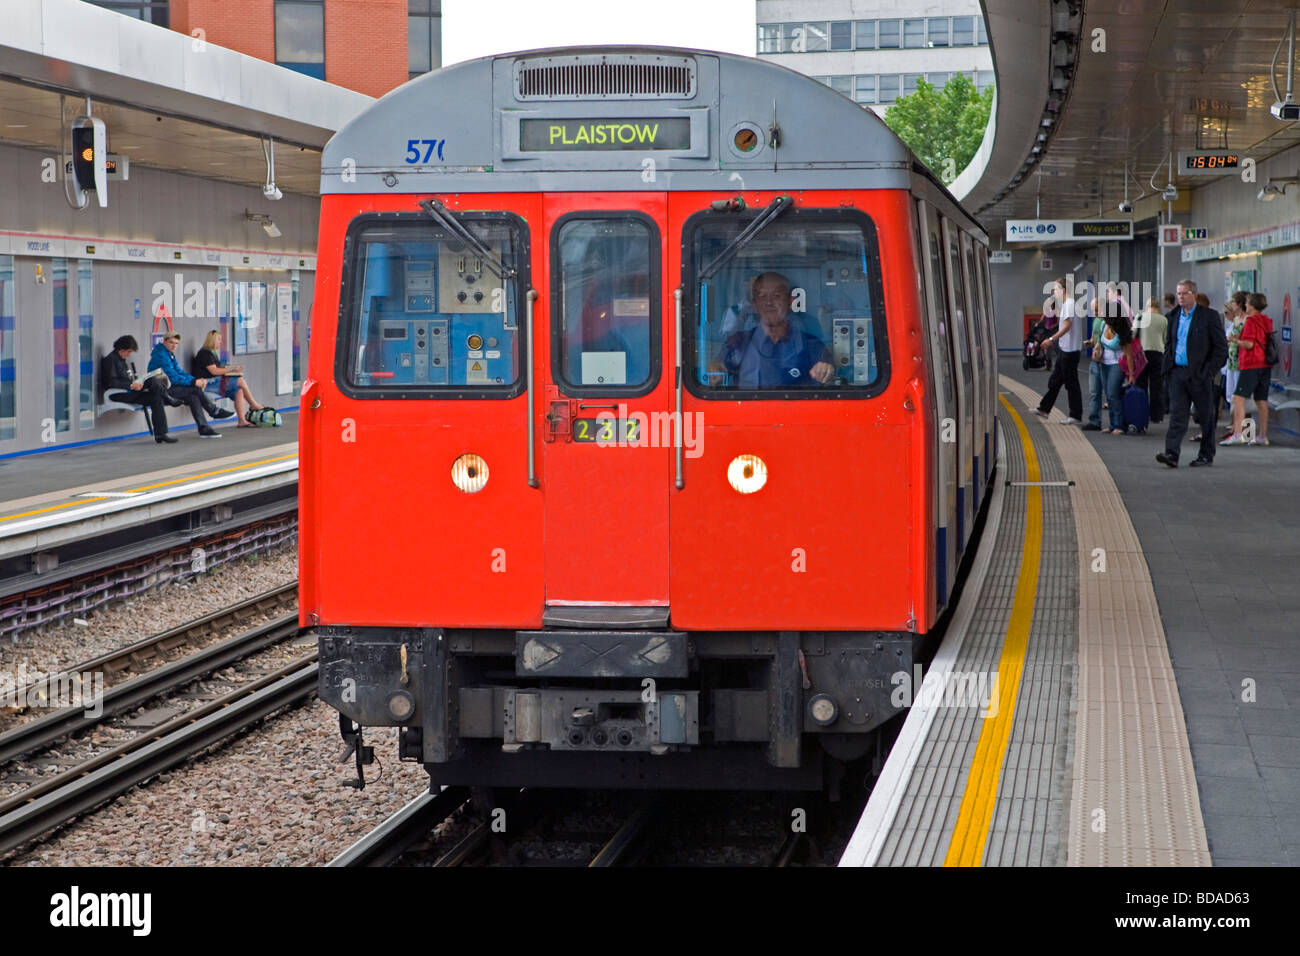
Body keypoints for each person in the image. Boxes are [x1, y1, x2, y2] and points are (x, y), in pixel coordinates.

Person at [1156, 279, 1229, 468]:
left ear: (1194, 295)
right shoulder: (1172, 316)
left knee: (1205, 416)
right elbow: (1169, 344)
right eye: (1178, 293)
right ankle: (1171, 454)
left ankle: (1206, 455)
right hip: (1177, 374)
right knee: (1177, 414)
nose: (1180, 296)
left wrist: (1209, 371)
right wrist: (1168, 368)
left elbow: (1221, 348)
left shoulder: (1209, 317)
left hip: (1200, 374)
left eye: (1184, 293)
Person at [717, 272, 834, 388]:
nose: (769, 302)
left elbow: (831, 376)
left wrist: (826, 370)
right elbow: (716, 370)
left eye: (777, 295)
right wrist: (714, 370)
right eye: (762, 296)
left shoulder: (812, 345)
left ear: (791, 301)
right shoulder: (738, 342)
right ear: (755, 304)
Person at [147, 332, 231, 438]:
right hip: (162, 391)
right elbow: (172, 377)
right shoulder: (161, 356)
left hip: (169, 388)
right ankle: (214, 411)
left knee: (193, 397)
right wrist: (194, 382)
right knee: (195, 389)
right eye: (171, 342)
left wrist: (195, 379)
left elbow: (180, 372)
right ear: (164, 342)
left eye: (176, 343)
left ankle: (204, 428)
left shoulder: (169, 353)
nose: (174, 346)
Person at [100, 335, 178, 444]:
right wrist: (131, 385)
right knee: (150, 381)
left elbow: (126, 378)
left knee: (156, 397)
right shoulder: (110, 360)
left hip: (130, 391)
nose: (129, 354)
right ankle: (168, 397)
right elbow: (111, 382)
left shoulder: (122, 360)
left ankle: (161, 434)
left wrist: (136, 382)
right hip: (119, 394)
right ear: (121, 350)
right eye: (129, 352)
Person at [1221, 292, 1275, 447]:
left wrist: (1235, 340)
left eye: (1248, 303)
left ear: (1251, 305)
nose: (1246, 305)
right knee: (1261, 400)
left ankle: (1239, 433)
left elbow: (1249, 344)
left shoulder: (1251, 321)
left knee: (1238, 398)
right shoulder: (1266, 320)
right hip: (1265, 364)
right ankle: (1262, 436)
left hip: (1251, 363)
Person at [1033, 277, 1083, 423]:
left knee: (1071, 383)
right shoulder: (1069, 304)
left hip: (1069, 351)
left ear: (1063, 290)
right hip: (1066, 349)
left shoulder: (1069, 304)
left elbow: (1067, 326)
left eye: (1055, 288)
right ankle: (1044, 408)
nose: (1053, 291)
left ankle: (1075, 415)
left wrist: (1050, 340)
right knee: (1056, 380)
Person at [193, 330, 267, 427]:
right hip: (207, 384)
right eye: (218, 339)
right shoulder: (205, 353)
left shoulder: (212, 353)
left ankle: (242, 420)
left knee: (239, 391)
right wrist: (231, 369)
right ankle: (253, 404)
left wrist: (232, 371)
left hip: (215, 382)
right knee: (240, 380)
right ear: (212, 340)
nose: (220, 342)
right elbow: (214, 371)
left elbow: (219, 370)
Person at [1133, 296, 1168, 422]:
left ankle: (1141, 412)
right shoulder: (1164, 320)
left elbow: (1133, 334)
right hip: (1158, 354)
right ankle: (1157, 416)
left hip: (1142, 354)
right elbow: (1165, 339)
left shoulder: (1140, 316)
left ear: (1147, 306)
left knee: (1141, 385)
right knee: (1157, 386)